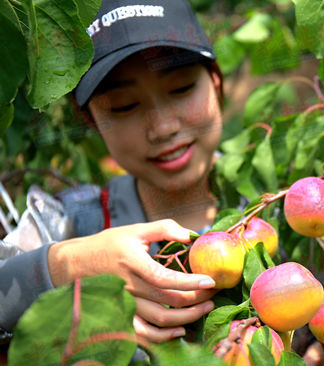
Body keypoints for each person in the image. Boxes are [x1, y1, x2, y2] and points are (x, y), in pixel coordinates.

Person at [0, 0, 224, 344]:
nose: (162, 127)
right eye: (124, 106)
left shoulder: (284, 207)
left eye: (181, 88)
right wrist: (66, 268)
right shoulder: (70, 224)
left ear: (216, 82)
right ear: (91, 121)